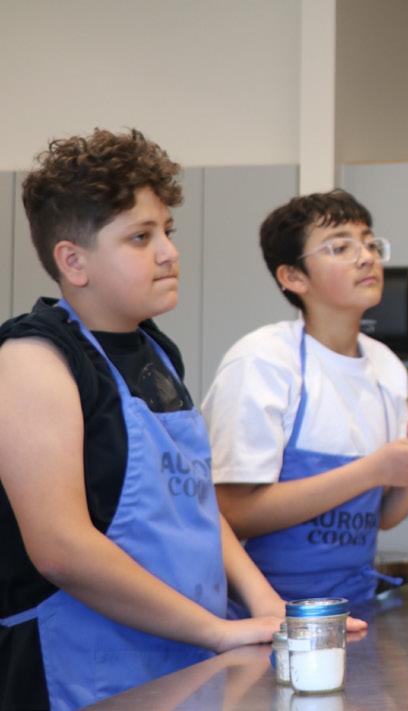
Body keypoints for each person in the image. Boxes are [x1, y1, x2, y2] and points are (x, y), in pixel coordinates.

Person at [0, 129, 285, 709]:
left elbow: (193, 504)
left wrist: (266, 604)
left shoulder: (157, 353)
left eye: (167, 232)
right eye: (140, 237)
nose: (168, 252)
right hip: (81, 671)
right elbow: (59, 548)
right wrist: (214, 630)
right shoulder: (32, 360)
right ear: (73, 261)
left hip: (184, 657)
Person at [202, 190, 408, 604]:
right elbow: (234, 513)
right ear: (293, 277)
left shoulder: (385, 366)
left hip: (355, 606)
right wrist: (373, 470)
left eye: (370, 244)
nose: (366, 258)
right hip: (263, 612)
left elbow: (383, 518)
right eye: (340, 247)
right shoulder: (264, 360)